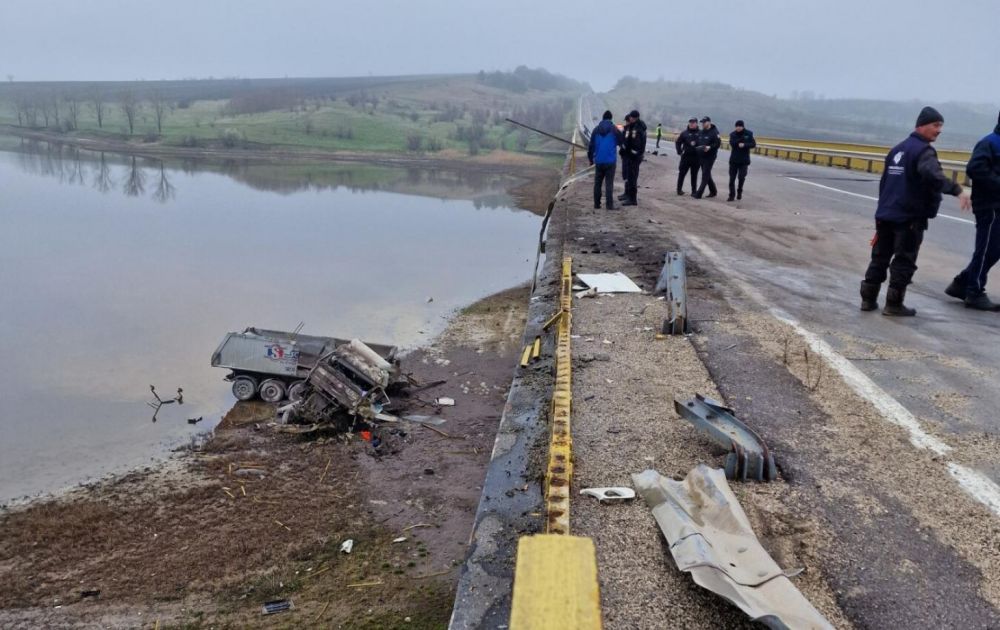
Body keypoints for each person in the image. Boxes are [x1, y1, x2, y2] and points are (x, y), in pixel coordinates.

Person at [860, 107, 971, 316]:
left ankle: (868, 299)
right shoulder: (923, 151)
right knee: (904, 260)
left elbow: (885, 184)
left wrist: (882, 210)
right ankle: (893, 305)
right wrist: (957, 190)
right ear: (921, 125)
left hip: (885, 215)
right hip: (908, 217)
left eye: (941, 126)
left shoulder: (897, 150)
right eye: (935, 125)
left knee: (879, 258)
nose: (939, 131)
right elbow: (932, 174)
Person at [945, 111, 1000, 310]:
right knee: (986, 250)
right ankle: (974, 292)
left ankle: (962, 283)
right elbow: (974, 168)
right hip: (989, 205)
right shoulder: (990, 142)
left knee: (993, 250)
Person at [587, 110, 624, 210]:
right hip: (610, 161)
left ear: (602, 118)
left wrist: (591, 160)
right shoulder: (614, 129)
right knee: (609, 183)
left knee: (597, 183)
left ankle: (596, 204)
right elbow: (622, 142)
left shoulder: (595, 130)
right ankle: (609, 205)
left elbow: (591, 147)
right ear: (611, 118)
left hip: (599, 161)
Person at [620, 109, 647, 206]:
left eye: (630, 117)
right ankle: (629, 196)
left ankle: (632, 199)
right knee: (630, 177)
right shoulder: (632, 127)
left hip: (634, 157)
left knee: (632, 178)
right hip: (631, 156)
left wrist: (630, 152)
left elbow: (636, 145)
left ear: (634, 117)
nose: (629, 119)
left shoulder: (638, 129)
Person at [727, 120, 756, 201]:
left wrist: (745, 145)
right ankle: (731, 195)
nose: (738, 128)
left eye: (740, 126)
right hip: (734, 160)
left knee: (741, 177)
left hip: (744, 161)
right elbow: (732, 143)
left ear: (743, 126)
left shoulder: (749, 133)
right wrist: (740, 140)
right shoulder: (732, 134)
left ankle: (739, 191)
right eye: (737, 126)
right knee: (732, 179)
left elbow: (753, 144)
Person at [693, 116, 720, 198]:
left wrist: (710, 147)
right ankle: (713, 191)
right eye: (702, 122)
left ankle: (699, 193)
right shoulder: (701, 132)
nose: (703, 124)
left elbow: (717, 144)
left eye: (704, 122)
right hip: (701, 156)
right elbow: (698, 141)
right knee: (707, 174)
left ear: (709, 122)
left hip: (710, 156)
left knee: (705, 174)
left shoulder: (715, 132)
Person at [675, 117, 700, 195]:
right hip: (685, 157)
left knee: (694, 175)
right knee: (682, 173)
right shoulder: (684, 133)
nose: (691, 124)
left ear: (696, 123)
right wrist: (679, 151)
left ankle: (694, 191)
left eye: (693, 122)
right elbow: (678, 142)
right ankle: (679, 190)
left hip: (696, 158)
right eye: (690, 122)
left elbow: (704, 143)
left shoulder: (701, 133)